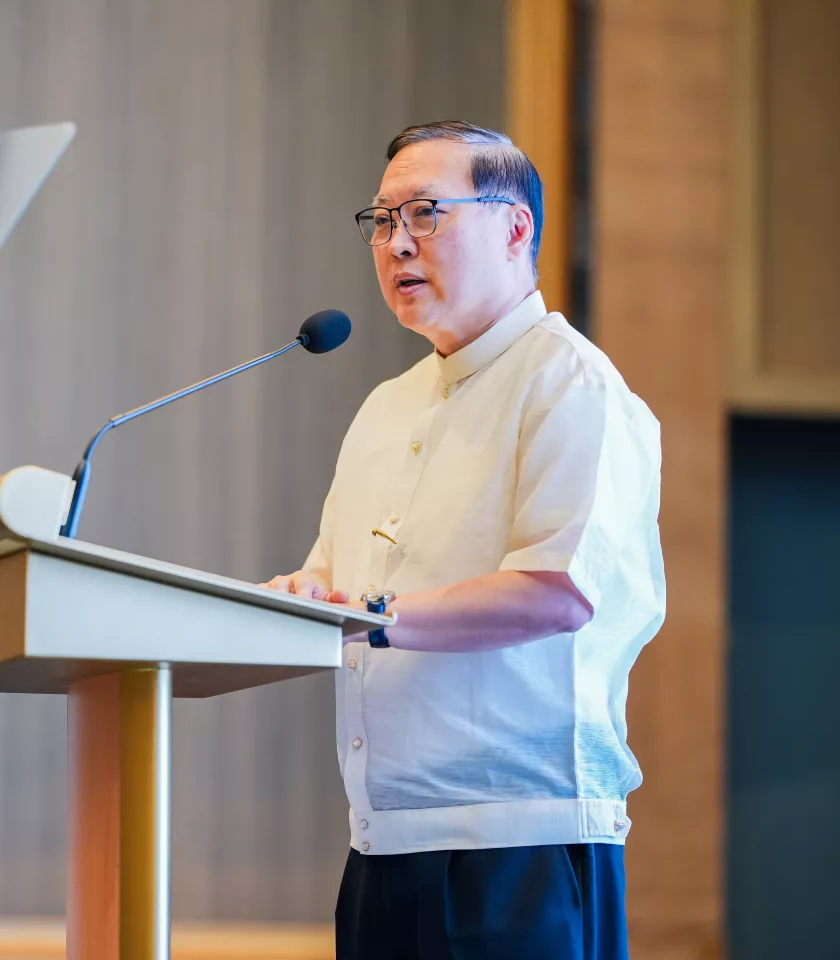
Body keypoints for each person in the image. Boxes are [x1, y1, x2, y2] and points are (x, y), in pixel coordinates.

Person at [264, 121, 665, 959]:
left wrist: (369, 613)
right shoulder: (387, 406)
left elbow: (558, 590)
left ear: (516, 226)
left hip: (519, 845)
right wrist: (292, 599)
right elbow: (333, 582)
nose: (396, 244)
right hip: (382, 843)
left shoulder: (571, 385)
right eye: (381, 222)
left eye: (425, 214)